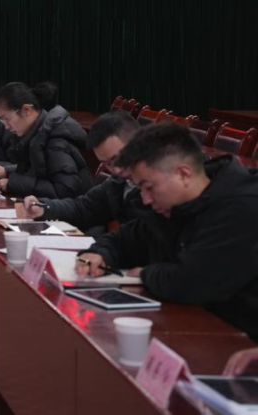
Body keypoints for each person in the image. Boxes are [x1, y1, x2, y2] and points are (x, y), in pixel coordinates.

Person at [77, 123, 258, 341]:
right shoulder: (171, 207)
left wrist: (145, 274)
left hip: (237, 341)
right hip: (190, 327)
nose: (145, 199)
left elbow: (190, 281)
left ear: (183, 174)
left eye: (149, 187)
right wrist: (99, 253)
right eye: (140, 188)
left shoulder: (242, 207)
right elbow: (124, 239)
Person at [18, 112, 144, 235]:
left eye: (118, 158)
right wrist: (43, 208)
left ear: (138, 142)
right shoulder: (117, 183)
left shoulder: (153, 188)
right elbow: (82, 208)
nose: (116, 170)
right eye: (107, 164)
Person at [0, 81, 91, 199]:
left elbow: (65, 190)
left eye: (7, 119)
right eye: (2, 121)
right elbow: (38, 169)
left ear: (26, 110)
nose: (6, 127)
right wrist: (6, 171)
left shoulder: (55, 141)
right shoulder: (37, 134)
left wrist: (14, 183)